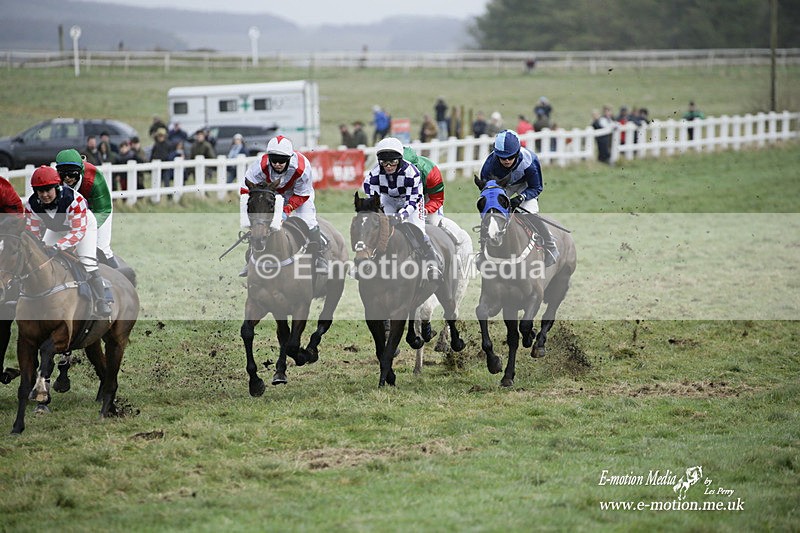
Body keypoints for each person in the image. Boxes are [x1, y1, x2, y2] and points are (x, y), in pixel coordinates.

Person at [25, 166, 111, 316]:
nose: (44, 195)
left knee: (87, 262)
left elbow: (77, 232)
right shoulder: (31, 205)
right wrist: (40, 247)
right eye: (40, 191)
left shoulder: (74, 200)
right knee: (42, 258)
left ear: (57, 187)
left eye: (48, 190)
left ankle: (102, 300)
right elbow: (32, 234)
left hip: (83, 226)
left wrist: (57, 246)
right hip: (57, 227)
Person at [239, 136, 325, 277]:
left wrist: (286, 211)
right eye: (274, 160)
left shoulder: (302, 168)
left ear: (289, 158)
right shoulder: (259, 167)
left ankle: (319, 256)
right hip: (271, 193)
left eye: (282, 161)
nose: (278, 164)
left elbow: (302, 195)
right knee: (259, 223)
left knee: (309, 221)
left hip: (298, 194)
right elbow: (245, 189)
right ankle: (250, 259)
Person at [363, 137, 441, 280]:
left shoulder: (412, 173)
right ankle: (368, 262)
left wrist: (401, 216)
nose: (388, 166)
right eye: (384, 162)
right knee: (378, 228)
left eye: (392, 161)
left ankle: (432, 264)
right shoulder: (373, 175)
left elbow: (412, 202)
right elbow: (373, 200)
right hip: (388, 199)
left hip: (410, 200)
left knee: (418, 229)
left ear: (400, 159)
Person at [479, 130, 559, 267]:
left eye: (510, 157)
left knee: (530, 214)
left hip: (525, 187)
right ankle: (482, 251)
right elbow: (487, 191)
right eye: (502, 158)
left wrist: (521, 198)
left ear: (517, 153)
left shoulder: (530, 162)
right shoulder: (489, 166)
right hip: (502, 187)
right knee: (491, 214)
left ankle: (550, 245)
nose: (507, 161)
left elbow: (537, 187)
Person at [55, 148, 118, 269]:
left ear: (80, 170)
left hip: (99, 209)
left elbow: (103, 209)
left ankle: (119, 277)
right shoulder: (55, 180)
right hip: (72, 210)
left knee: (101, 248)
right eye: (63, 174)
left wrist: (83, 229)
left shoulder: (94, 178)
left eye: (72, 174)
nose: (67, 178)